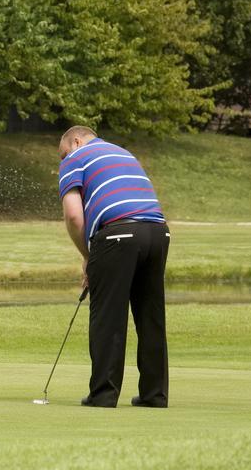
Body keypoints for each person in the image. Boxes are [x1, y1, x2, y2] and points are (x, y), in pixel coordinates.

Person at [58, 126, 170, 408]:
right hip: (158, 233)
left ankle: (104, 395)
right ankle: (154, 394)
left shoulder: (76, 157)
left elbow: (73, 215)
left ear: (76, 140)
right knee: (150, 316)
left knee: (108, 318)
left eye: (63, 153)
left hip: (118, 233)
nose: (63, 159)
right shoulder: (124, 153)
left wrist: (88, 255)